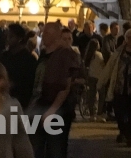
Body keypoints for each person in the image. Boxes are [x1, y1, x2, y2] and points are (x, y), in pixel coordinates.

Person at [28, 21, 82, 158]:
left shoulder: (64, 55)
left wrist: (52, 109)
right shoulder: (45, 54)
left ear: (55, 35)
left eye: (47, 32)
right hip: (40, 105)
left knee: (55, 148)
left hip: (57, 109)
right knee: (36, 147)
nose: (43, 35)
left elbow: (65, 85)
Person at [106, 28, 131, 146]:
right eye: (128, 37)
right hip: (119, 87)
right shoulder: (119, 52)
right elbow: (110, 65)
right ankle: (123, 131)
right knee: (119, 112)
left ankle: (129, 135)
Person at [0, 23, 38, 108]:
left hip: (20, 100)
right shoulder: (4, 56)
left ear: (19, 38)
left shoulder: (29, 59)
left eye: (11, 36)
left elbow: (29, 82)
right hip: (3, 98)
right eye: (6, 36)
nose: (7, 39)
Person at [84, 38, 106, 121]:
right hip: (99, 77)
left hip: (91, 77)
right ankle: (99, 113)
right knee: (101, 96)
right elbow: (103, 65)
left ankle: (92, 115)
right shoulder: (99, 55)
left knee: (91, 96)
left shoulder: (88, 55)